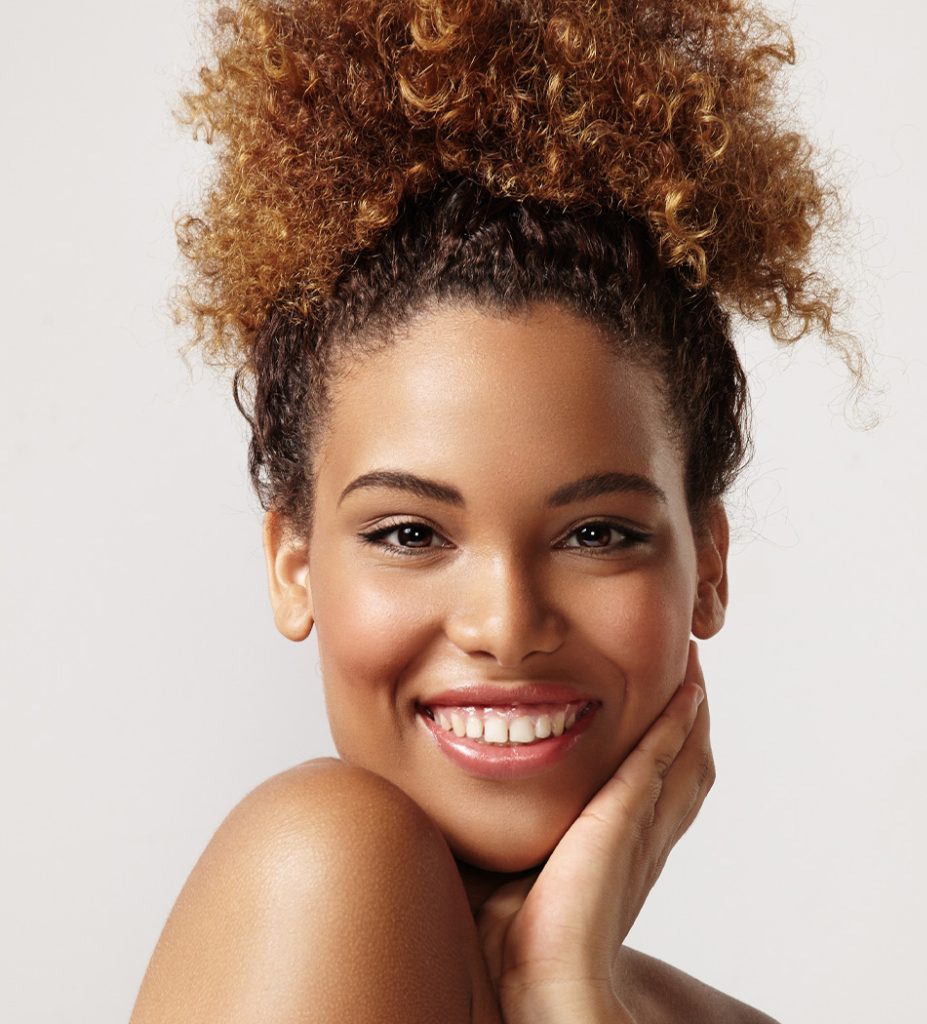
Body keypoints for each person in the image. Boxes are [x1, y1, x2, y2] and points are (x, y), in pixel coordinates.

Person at [131, 1, 857, 1020]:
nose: (506, 624)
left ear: (710, 563)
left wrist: (566, 981)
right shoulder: (324, 866)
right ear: (292, 564)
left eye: (596, 534)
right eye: (409, 533)